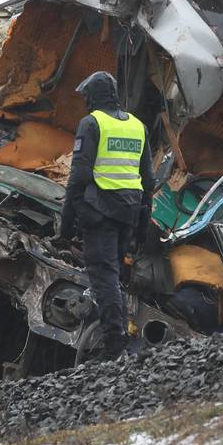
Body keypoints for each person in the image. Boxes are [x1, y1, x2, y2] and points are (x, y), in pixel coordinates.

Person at [58, 71, 156, 359]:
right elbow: (148, 181)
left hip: (100, 213)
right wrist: (142, 226)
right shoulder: (138, 126)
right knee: (113, 277)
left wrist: (66, 224)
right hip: (129, 213)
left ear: (93, 97)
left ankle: (115, 347)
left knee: (104, 278)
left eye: (86, 97)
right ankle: (117, 336)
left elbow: (79, 177)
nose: (85, 102)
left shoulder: (91, 124)